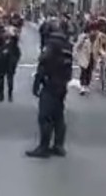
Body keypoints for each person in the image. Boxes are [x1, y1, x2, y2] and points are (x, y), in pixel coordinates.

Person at [26, 20, 73, 158]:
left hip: (50, 82)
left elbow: (43, 62)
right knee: (58, 116)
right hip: (62, 83)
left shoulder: (51, 44)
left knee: (45, 116)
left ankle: (43, 147)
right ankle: (59, 145)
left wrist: (37, 82)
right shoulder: (67, 44)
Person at [0, 25, 21, 102]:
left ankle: (10, 95)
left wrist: (14, 61)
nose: (6, 35)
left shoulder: (14, 43)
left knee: (10, 80)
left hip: (10, 64)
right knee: (1, 80)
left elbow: (18, 54)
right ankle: (1, 95)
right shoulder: (1, 42)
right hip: (1, 63)